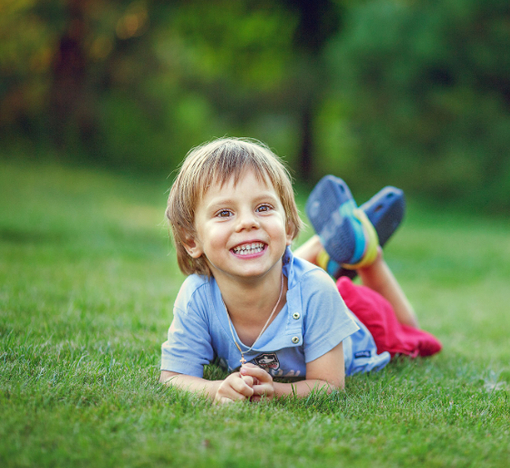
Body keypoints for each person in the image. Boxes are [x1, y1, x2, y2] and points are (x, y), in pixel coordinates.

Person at [160, 137, 440, 403]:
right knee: (280, 264)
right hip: (306, 297)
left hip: (359, 322)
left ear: (289, 228)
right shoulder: (197, 296)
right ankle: (325, 248)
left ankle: (366, 256)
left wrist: (276, 391)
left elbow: (329, 385)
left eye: (263, 207)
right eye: (224, 213)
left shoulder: (318, 291)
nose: (247, 222)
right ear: (191, 240)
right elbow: (173, 377)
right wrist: (217, 389)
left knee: (409, 334)